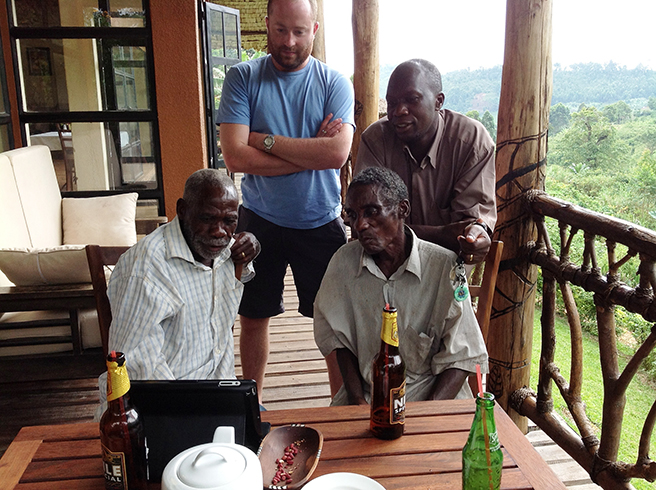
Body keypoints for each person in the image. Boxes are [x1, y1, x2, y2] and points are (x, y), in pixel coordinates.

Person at [216, 0, 355, 402]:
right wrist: (307, 154)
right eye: (280, 30)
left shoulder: (334, 83)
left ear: (314, 29)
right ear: (267, 26)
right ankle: (252, 403)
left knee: (332, 324)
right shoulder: (243, 78)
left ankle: (339, 407)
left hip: (320, 221)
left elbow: (335, 155)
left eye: (298, 31)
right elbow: (235, 157)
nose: (289, 41)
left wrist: (265, 141)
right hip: (258, 220)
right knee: (253, 315)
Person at [313, 167, 488, 405]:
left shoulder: (443, 266)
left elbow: (462, 355)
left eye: (372, 212)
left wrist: (427, 414)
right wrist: (356, 402)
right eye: (353, 215)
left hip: (434, 396)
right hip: (367, 395)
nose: (361, 225)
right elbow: (338, 340)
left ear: (402, 209)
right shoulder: (343, 262)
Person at [96, 169, 260, 412]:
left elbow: (237, 277)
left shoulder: (224, 251)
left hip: (218, 393)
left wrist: (250, 249)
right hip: (161, 408)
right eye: (207, 218)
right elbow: (136, 368)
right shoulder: (147, 269)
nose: (219, 231)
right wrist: (194, 413)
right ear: (182, 210)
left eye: (229, 221)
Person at [354, 58, 496, 265]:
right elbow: (368, 225)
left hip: (447, 267)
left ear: (439, 101)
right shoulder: (376, 139)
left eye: (412, 99)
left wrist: (392, 229)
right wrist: (445, 233)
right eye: (392, 103)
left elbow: (468, 231)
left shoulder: (471, 141)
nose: (398, 111)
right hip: (385, 265)